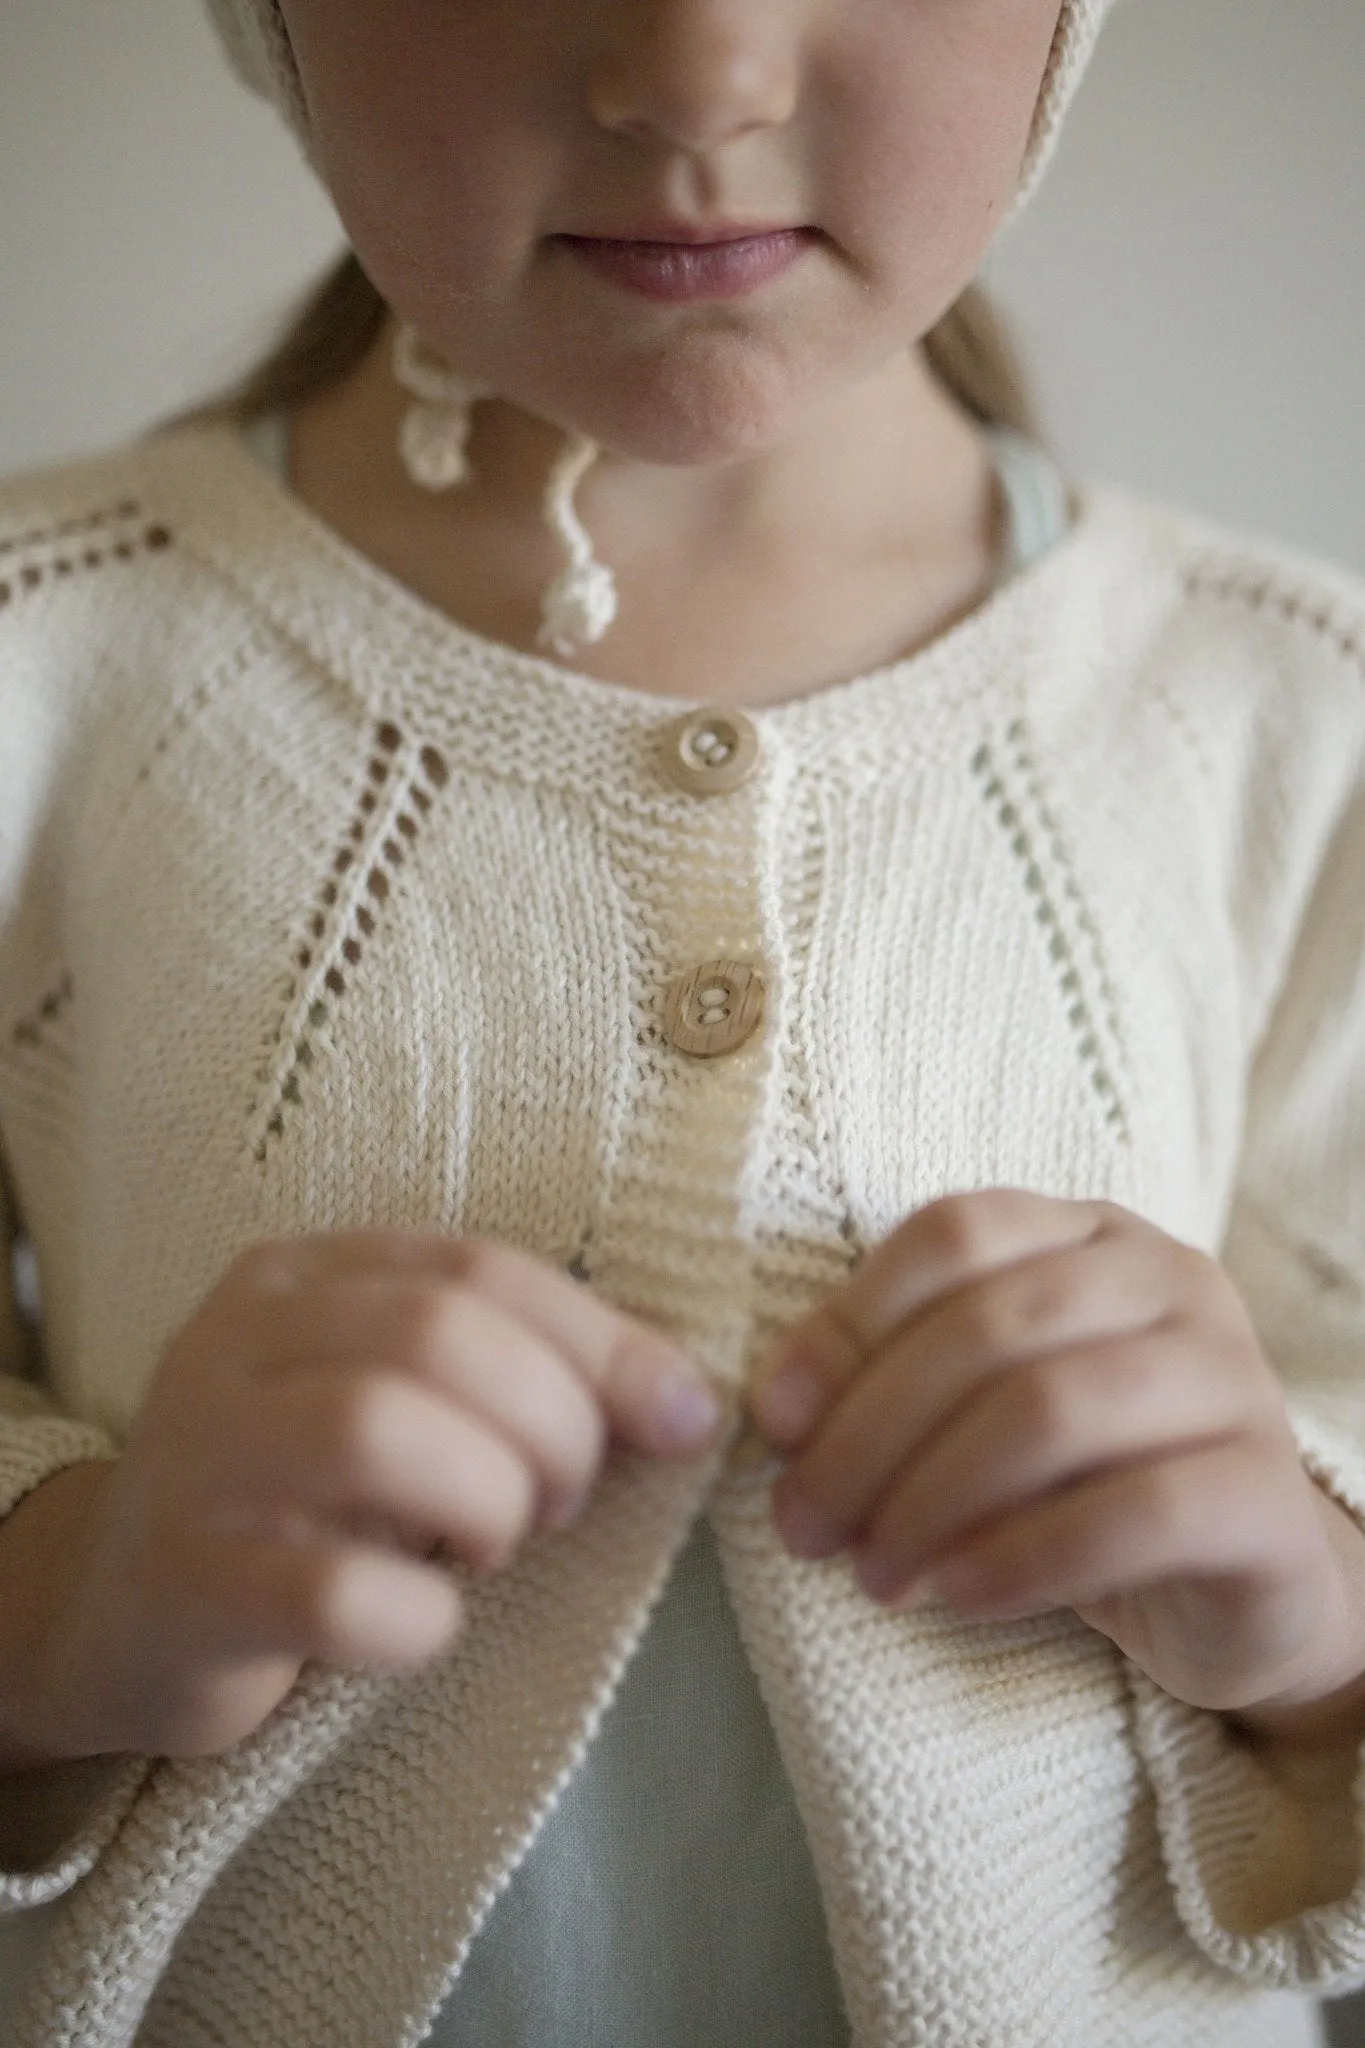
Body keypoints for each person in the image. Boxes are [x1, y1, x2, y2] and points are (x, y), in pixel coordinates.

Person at [0, 0, 1363, 2040]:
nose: (698, 70)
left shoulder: (1288, 717)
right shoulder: (51, 650)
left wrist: (1318, 1617)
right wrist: (68, 1597)